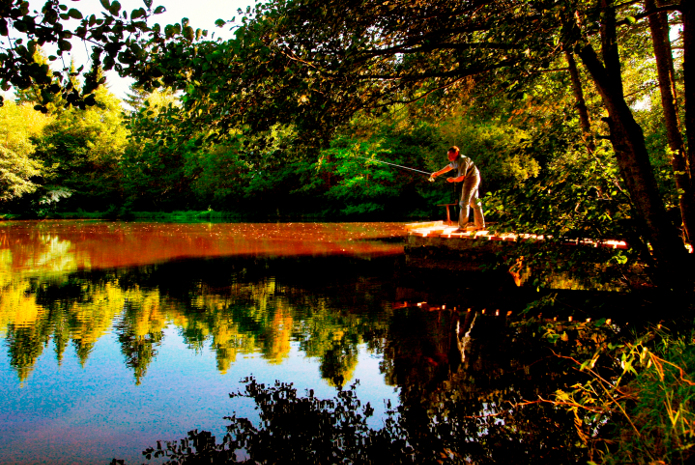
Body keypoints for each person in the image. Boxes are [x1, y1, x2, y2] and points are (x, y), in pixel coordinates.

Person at [430, 146, 485, 232]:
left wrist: (452, 179)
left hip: (471, 178)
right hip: (472, 177)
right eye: (448, 155)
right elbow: (448, 167)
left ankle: (462, 228)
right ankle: (480, 226)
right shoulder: (455, 161)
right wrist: (437, 173)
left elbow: (461, 178)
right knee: (474, 202)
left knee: (464, 203)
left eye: (450, 155)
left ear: (456, 153)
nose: (449, 157)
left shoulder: (463, 160)